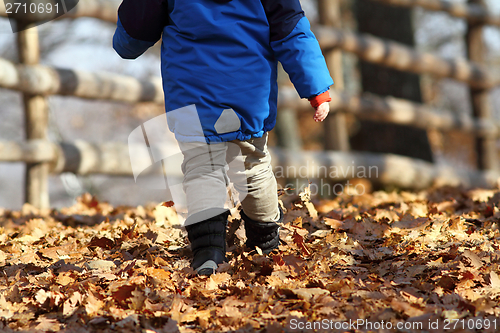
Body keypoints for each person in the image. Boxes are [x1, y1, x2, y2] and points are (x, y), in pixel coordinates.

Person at [113, 0, 333, 276]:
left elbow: (134, 32)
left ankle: (208, 253)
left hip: (191, 90)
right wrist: (317, 89)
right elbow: (292, 30)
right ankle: (265, 242)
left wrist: (123, 40)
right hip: (248, 90)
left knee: (202, 166)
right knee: (253, 164)